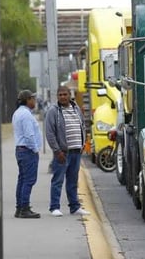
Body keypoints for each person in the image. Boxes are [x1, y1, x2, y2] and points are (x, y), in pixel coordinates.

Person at [45, 86, 91, 217]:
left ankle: (75, 207)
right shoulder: (53, 111)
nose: (63, 97)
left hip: (76, 151)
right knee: (57, 180)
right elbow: (50, 133)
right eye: (60, 95)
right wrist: (57, 151)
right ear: (57, 97)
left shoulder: (76, 109)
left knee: (73, 180)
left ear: (70, 95)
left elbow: (82, 125)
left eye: (65, 94)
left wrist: (83, 145)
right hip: (63, 153)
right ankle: (54, 207)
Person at [12, 90, 42, 219]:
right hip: (27, 150)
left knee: (22, 179)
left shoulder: (18, 113)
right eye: (33, 99)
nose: (34, 101)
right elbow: (29, 135)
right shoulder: (26, 115)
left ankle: (19, 208)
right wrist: (35, 149)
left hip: (20, 149)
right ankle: (24, 208)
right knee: (29, 180)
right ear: (28, 100)